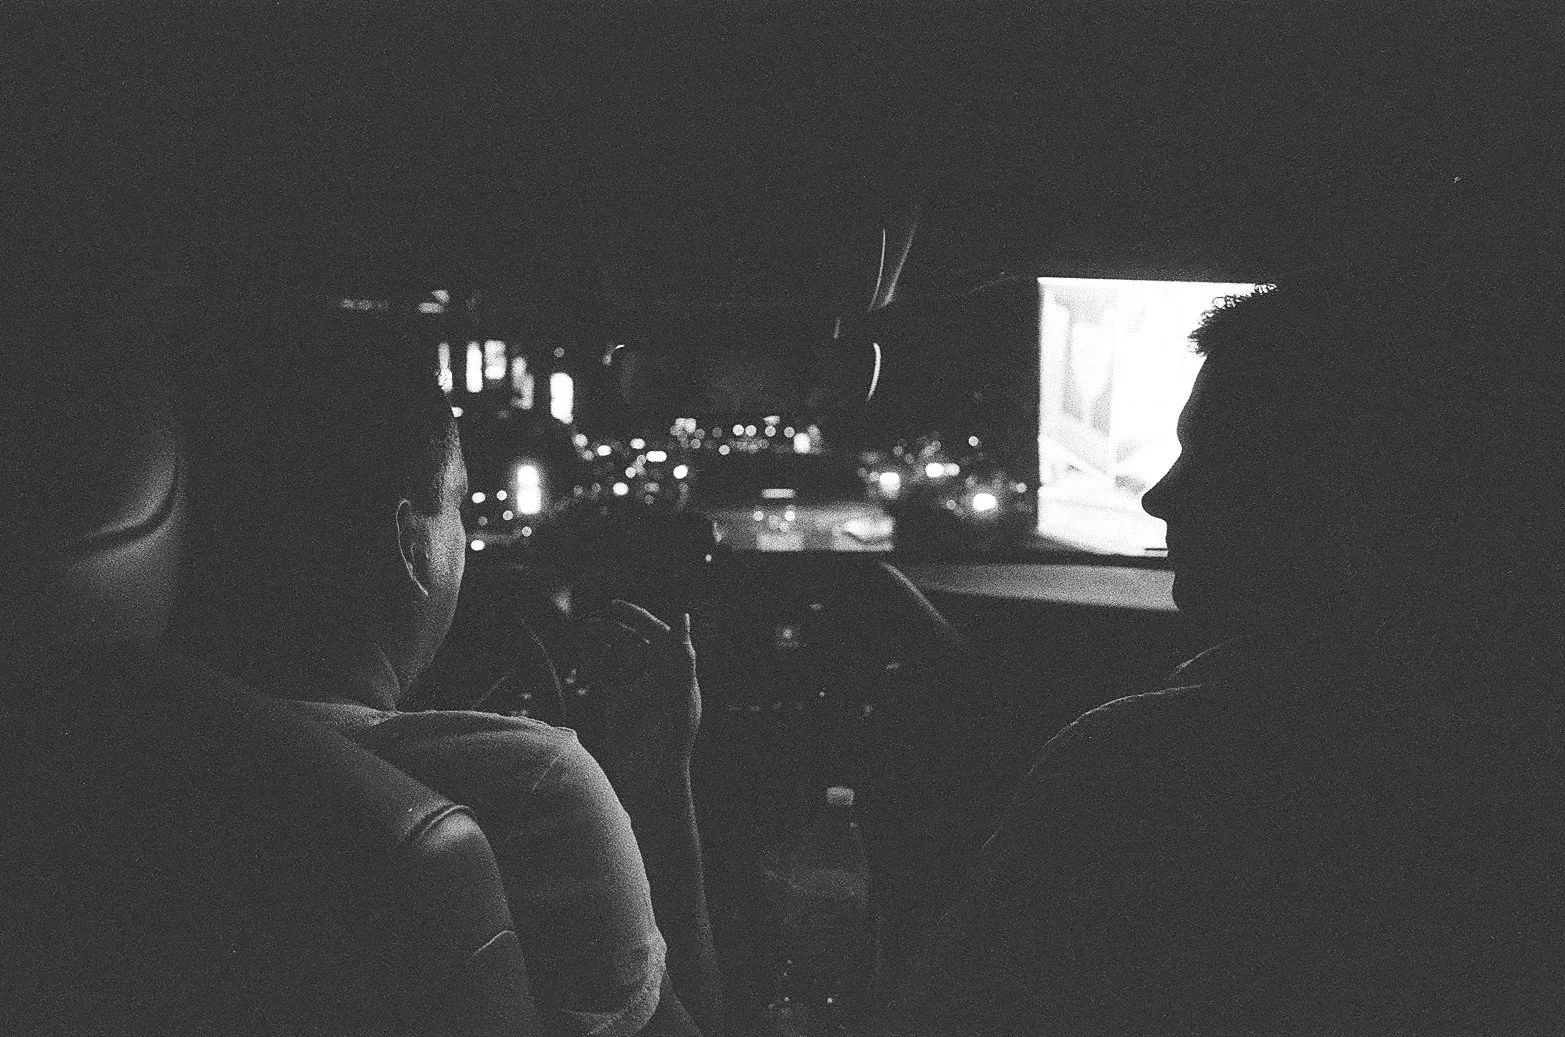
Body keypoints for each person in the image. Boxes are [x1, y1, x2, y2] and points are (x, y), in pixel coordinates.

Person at [884, 237, 1565, 1034]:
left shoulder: (1143, 772)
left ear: (1361, 501)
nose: (1161, 498)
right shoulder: (1504, 756)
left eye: (1212, 458)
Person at [174, 299, 722, 1037]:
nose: (467, 539)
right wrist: (661, 781)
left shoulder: (94, 744)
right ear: (408, 542)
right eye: (458, 506)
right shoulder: (532, 791)